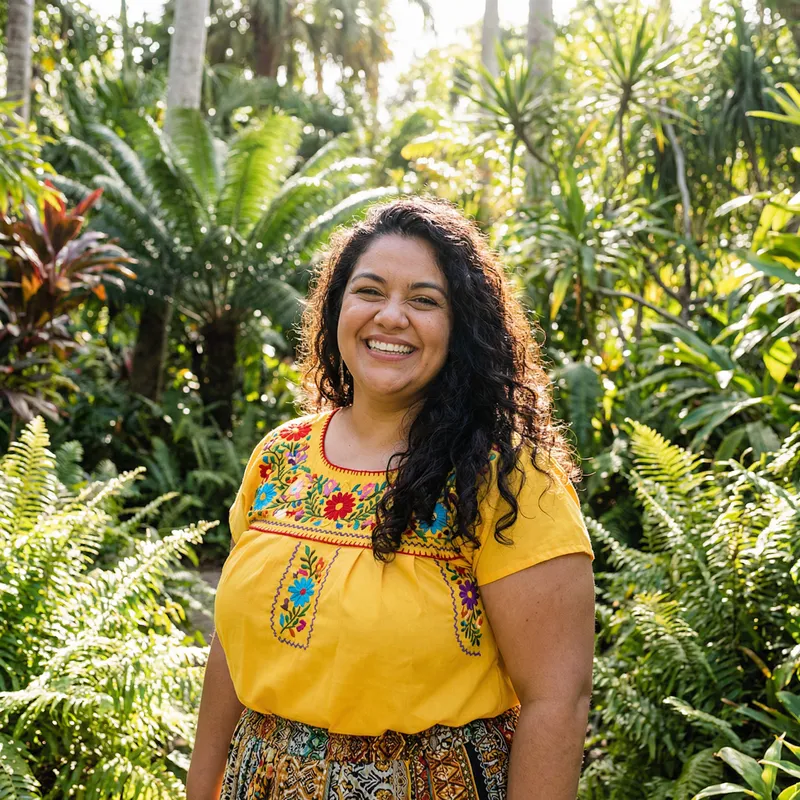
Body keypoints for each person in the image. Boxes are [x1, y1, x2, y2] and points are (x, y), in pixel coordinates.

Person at [186, 196, 595, 800]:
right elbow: (232, 646)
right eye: (369, 291)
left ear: (462, 328)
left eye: (424, 300)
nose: (391, 316)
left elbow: (557, 699)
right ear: (337, 308)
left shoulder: (508, 480)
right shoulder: (280, 456)